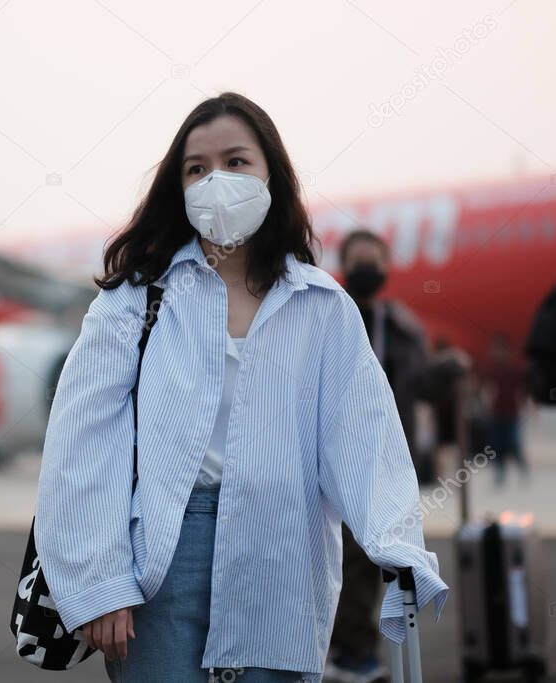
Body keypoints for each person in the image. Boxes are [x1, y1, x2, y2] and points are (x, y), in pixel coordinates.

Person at [34, 93, 449, 682]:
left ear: (271, 175)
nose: (216, 181)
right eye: (196, 169)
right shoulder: (135, 299)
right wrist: (99, 580)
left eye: (236, 162)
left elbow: (363, 436)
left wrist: (398, 546)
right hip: (160, 553)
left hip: (282, 550)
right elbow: (83, 439)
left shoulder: (322, 306)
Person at [325, 229, 467, 683]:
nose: (368, 267)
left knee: (376, 557)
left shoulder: (401, 327)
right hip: (334, 455)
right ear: (345, 266)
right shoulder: (329, 314)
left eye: (374, 259)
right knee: (341, 558)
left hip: (384, 460)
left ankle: (355, 649)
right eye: (358, 259)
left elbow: (419, 385)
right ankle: (345, 650)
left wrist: (448, 371)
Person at [480, 333, 529, 487]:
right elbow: (486, 390)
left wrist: (526, 408)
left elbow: (523, 391)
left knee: (514, 443)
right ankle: (499, 474)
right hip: (496, 414)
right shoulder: (491, 370)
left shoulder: (514, 370)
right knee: (497, 446)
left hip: (512, 413)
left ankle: (523, 470)